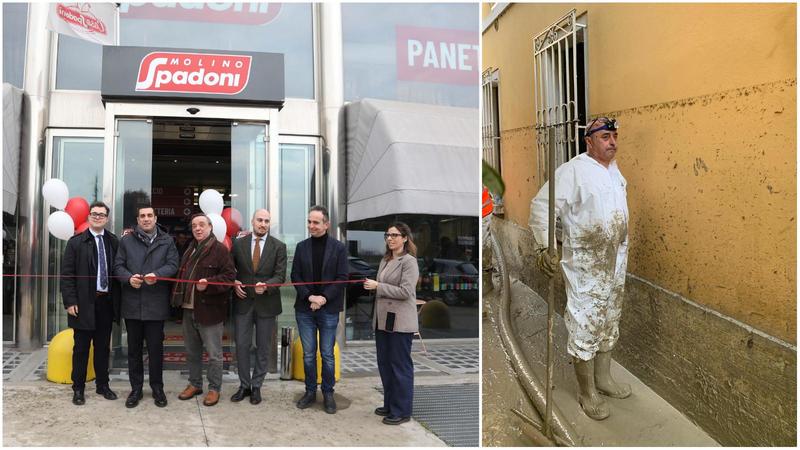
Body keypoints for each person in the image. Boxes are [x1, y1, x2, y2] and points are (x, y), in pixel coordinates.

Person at [529, 117, 631, 421]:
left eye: (614, 136)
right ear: (589, 141)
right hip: (587, 262)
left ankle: (604, 380)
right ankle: (587, 393)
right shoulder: (573, 171)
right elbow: (541, 206)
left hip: (615, 259)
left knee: (610, 318)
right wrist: (545, 246)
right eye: (604, 137)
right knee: (586, 321)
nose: (612, 142)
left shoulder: (613, 170)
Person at [113, 205, 179, 408]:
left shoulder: (167, 240)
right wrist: (127, 278)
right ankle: (136, 390)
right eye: (142, 216)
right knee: (133, 351)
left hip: (156, 305)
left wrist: (157, 275)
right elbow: (118, 266)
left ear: (155, 218)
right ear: (138, 219)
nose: (146, 219)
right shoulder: (126, 240)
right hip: (132, 304)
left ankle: (157, 388)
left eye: (150, 215)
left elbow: (173, 264)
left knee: (156, 350)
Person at [171, 214, 235, 407]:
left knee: (214, 354)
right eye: (194, 226)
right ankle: (195, 384)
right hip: (188, 309)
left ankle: (214, 388)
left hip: (210, 311)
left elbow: (229, 277)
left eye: (201, 225)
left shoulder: (220, 250)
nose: (197, 229)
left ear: (210, 227)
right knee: (192, 352)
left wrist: (209, 284)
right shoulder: (190, 249)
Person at [60, 201, 121, 405]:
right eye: (94, 214)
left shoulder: (113, 241)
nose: (97, 217)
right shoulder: (75, 242)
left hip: (106, 303)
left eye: (102, 215)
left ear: (107, 218)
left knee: (103, 348)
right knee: (81, 349)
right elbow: (67, 275)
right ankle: (78, 389)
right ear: (88, 216)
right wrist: (69, 301)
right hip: (83, 304)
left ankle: (103, 385)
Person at [292, 205, 348, 414]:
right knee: (308, 354)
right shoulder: (301, 247)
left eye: (315, 222)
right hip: (305, 309)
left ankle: (328, 393)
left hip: (328, 309)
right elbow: (295, 277)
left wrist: (323, 298)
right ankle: (309, 392)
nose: (311, 226)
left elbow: (342, 278)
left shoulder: (338, 248)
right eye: (309, 221)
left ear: (326, 224)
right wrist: (310, 297)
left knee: (327, 354)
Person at [364, 222, 420, 425]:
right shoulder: (386, 260)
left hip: (400, 322)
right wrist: (375, 286)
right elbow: (384, 287)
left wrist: (379, 285)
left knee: (399, 366)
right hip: (383, 320)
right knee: (385, 364)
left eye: (395, 235)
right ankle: (390, 404)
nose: (390, 238)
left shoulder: (409, 262)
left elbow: (406, 292)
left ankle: (402, 410)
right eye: (387, 234)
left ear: (405, 238)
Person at [230, 209, 287, 405]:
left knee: (263, 348)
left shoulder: (279, 247)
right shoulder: (238, 244)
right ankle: (244, 385)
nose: (263, 224)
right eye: (260, 220)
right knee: (242, 346)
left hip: (267, 304)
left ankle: (256, 386)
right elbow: (230, 270)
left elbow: (280, 276)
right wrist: (235, 282)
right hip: (243, 303)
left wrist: (268, 286)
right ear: (252, 221)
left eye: (267, 221)